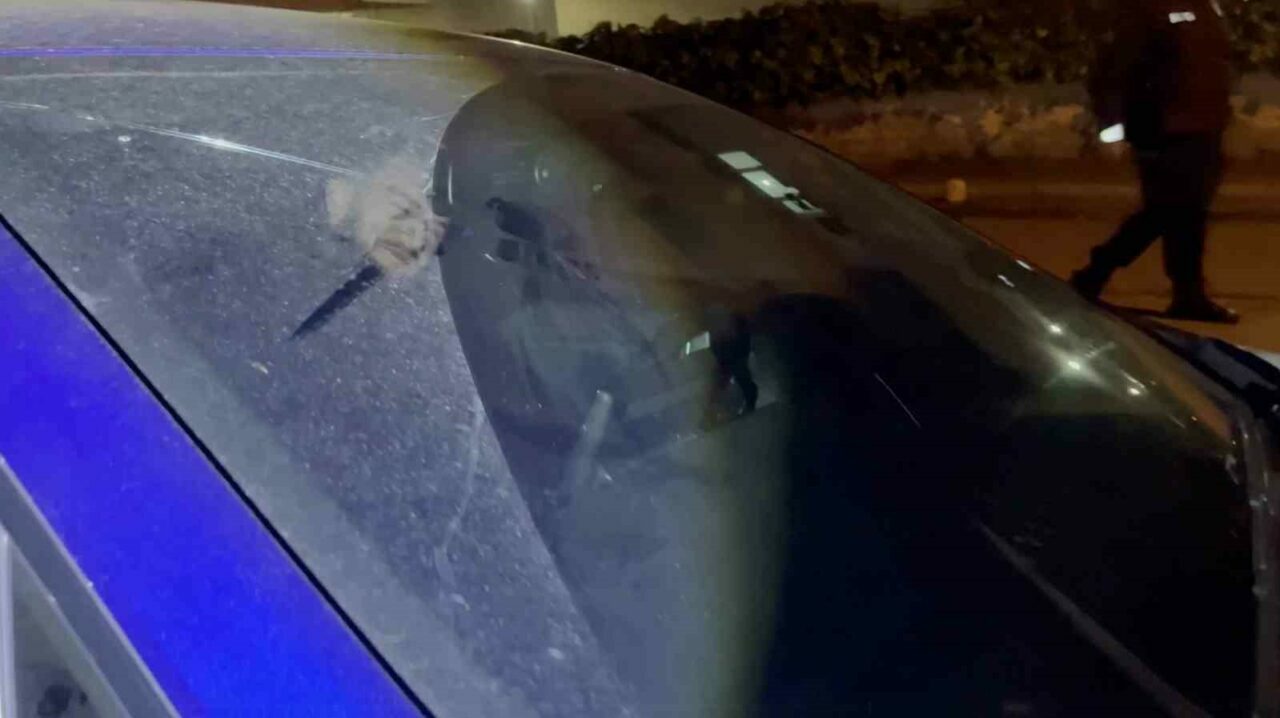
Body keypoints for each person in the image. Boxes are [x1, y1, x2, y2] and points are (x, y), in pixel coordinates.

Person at [1071, 0, 1238, 323]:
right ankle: (1099, 269)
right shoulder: (1149, 8)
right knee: (1168, 209)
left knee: (1187, 213)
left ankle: (1184, 293)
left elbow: (1214, 62)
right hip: (1163, 129)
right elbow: (1115, 67)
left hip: (1204, 127)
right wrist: (1112, 124)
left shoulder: (1206, 7)